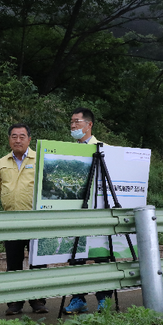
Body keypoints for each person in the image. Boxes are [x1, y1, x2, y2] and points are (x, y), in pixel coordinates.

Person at [0, 124, 48, 316]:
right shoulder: (1, 163)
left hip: (36, 221)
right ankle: (14, 303)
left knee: (38, 263)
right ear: (9, 139)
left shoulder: (40, 159)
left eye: (22, 136)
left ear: (29, 139)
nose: (18, 140)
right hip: (12, 222)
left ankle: (38, 301)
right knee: (13, 264)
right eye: (14, 136)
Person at [63, 107, 114, 314]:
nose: (73, 126)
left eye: (77, 122)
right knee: (76, 256)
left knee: (101, 254)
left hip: (99, 211)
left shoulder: (105, 150)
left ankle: (104, 299)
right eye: (72, 122)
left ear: (89, 125)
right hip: (76, 212)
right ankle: (78, 298)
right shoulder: (68, 150)